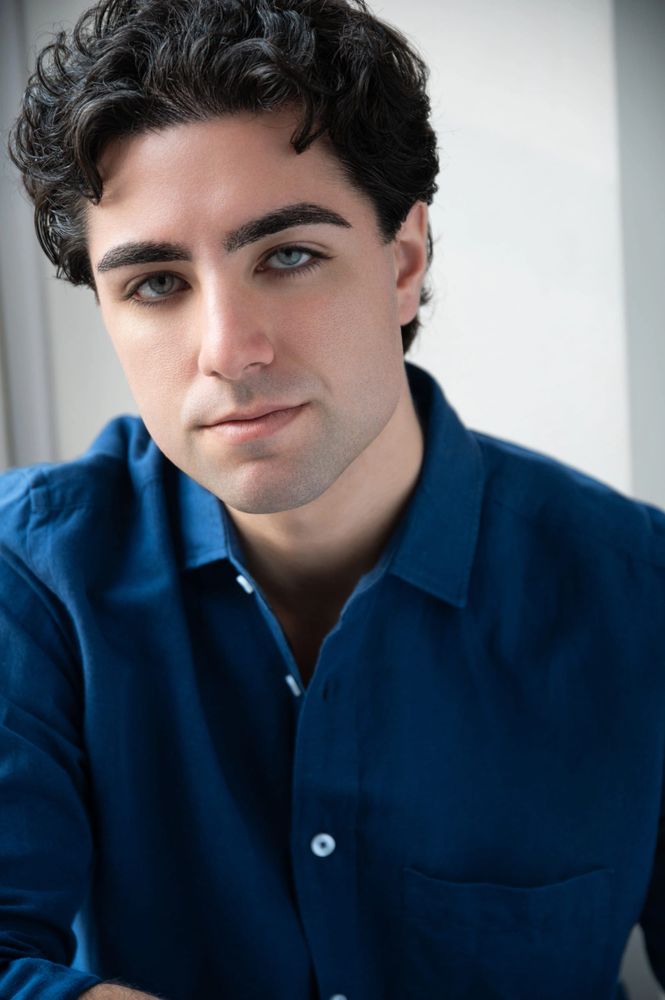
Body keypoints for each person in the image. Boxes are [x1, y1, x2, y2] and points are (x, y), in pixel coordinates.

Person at [1, 0, 664, 997]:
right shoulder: (30, 577)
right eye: (154, 284)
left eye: (287, 256)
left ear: (402, 263)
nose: (227, 350)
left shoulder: (637, 591)